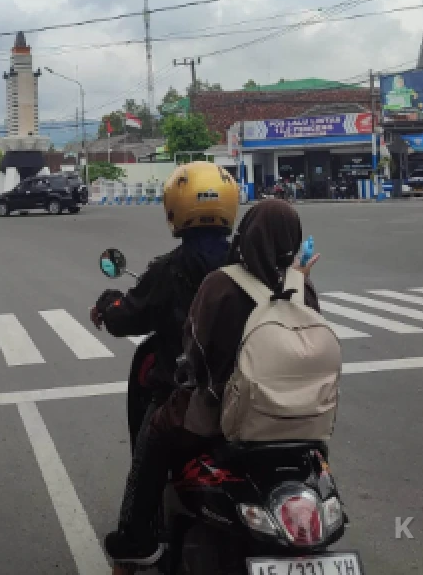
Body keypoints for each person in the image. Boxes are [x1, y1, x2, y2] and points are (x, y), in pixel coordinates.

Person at [103, 199, 327, 566]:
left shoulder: (222, 284)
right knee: (315, 454)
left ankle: (137, 539)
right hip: (299, 417)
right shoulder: (303, 288)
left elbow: (196, 351)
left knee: (155, 434)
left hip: (228, 413)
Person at [91, 162, 240, 446]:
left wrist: (107, 305)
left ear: (175, 206)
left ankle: (139, 490)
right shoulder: (248, 264)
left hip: (183, 393)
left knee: (148, 465)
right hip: (241, 393)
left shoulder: (168, 270)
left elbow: (129, 316)